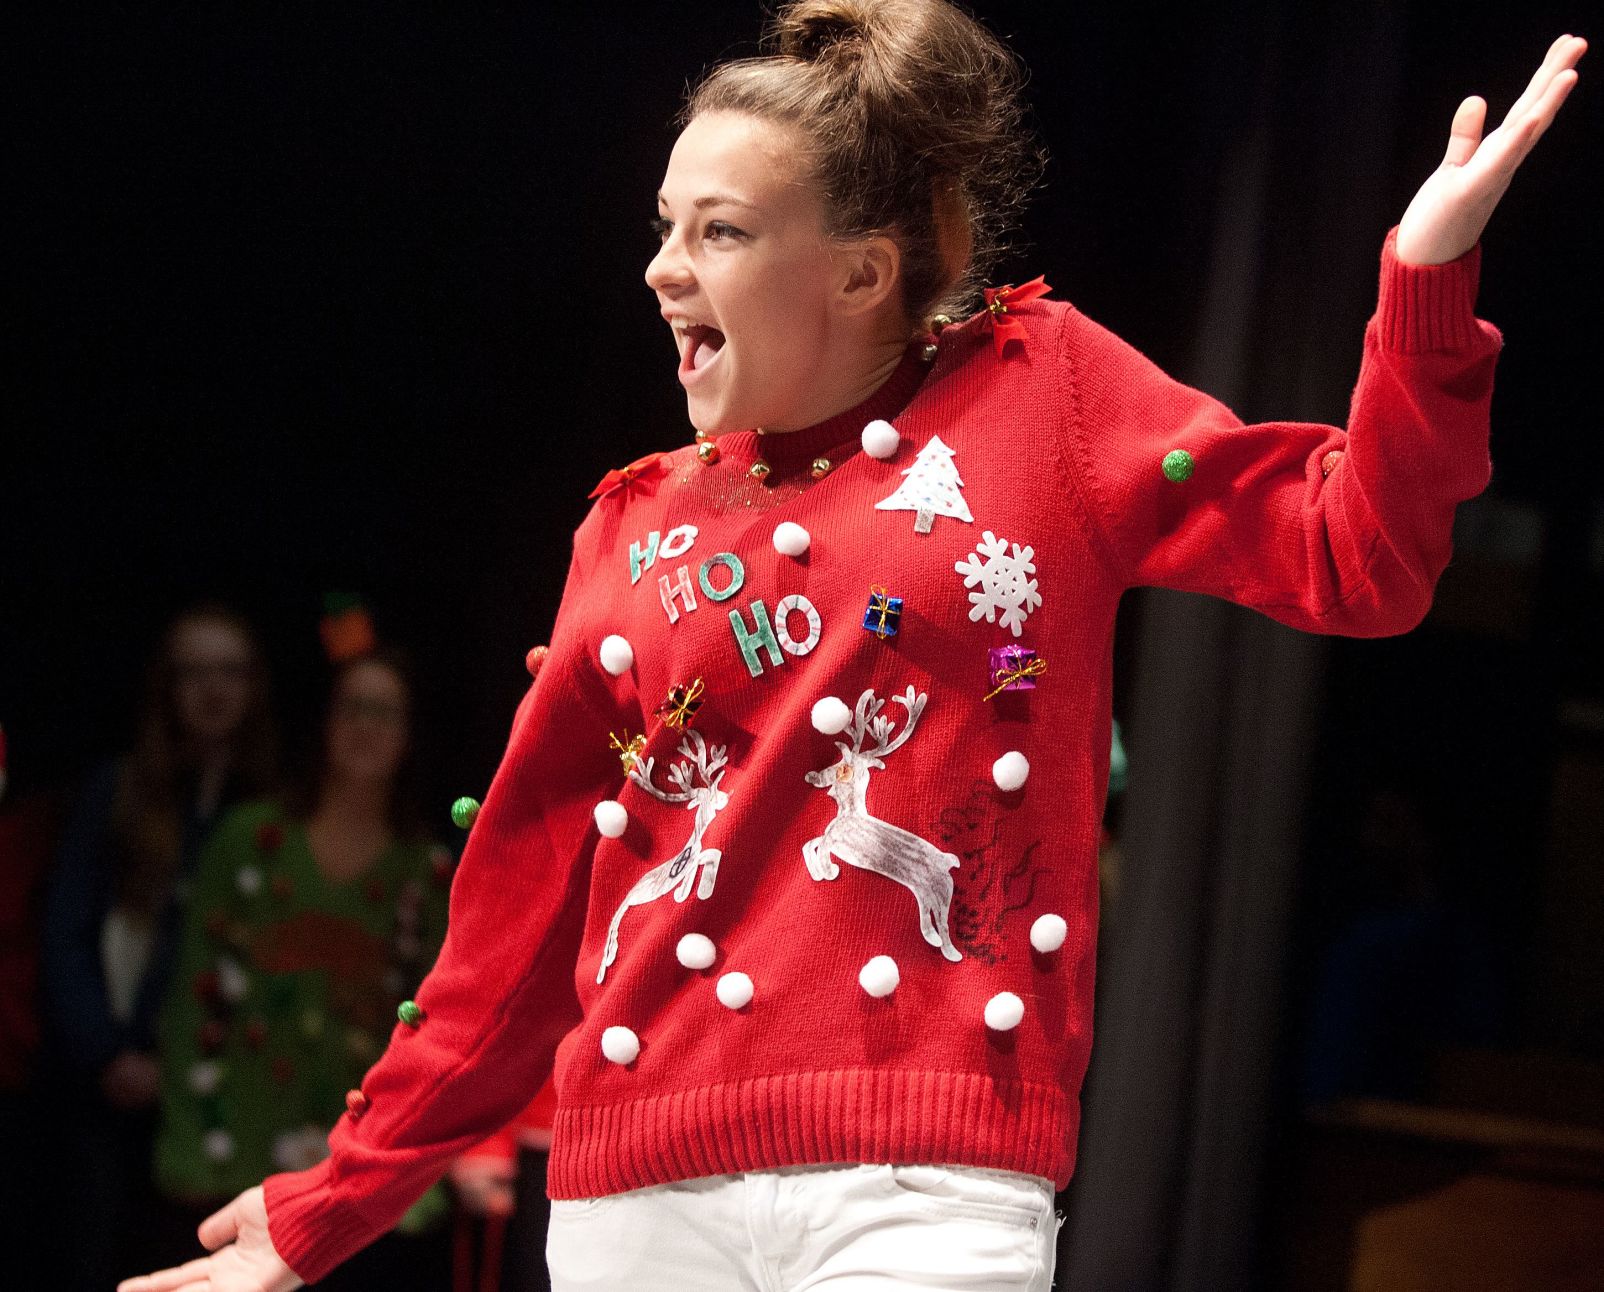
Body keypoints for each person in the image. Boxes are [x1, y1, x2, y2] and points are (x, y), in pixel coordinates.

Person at [118, 4, 1586, 1290]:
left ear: (865, 273)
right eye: (664, 224)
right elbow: (512, 931)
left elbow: (1360, 557)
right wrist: (333, 1205)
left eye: (720, 232)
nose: (660, 270)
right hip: (638, 1191)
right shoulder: (630, 533)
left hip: (929, 1178)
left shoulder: (1040, 395)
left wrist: (1422, 288)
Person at [146, 647, 457, 1289]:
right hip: (232, 1149)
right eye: (352, 706)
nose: (365, 726)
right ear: (323, 719)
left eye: (386, 712)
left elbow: (441, 1026)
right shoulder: (247, 839)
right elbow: (190, 998)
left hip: (359, 1178)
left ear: (409, 736)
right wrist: (187, 1139)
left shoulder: (426, 873)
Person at [43, 603, 276, 1292]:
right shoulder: (119, 791)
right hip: (113, 1084)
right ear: (166, 687)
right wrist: (108, 1053)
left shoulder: (270, 802)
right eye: (193, 672)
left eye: (230, 671)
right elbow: (67, 933)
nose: (213, 689)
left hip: (224, 1092)